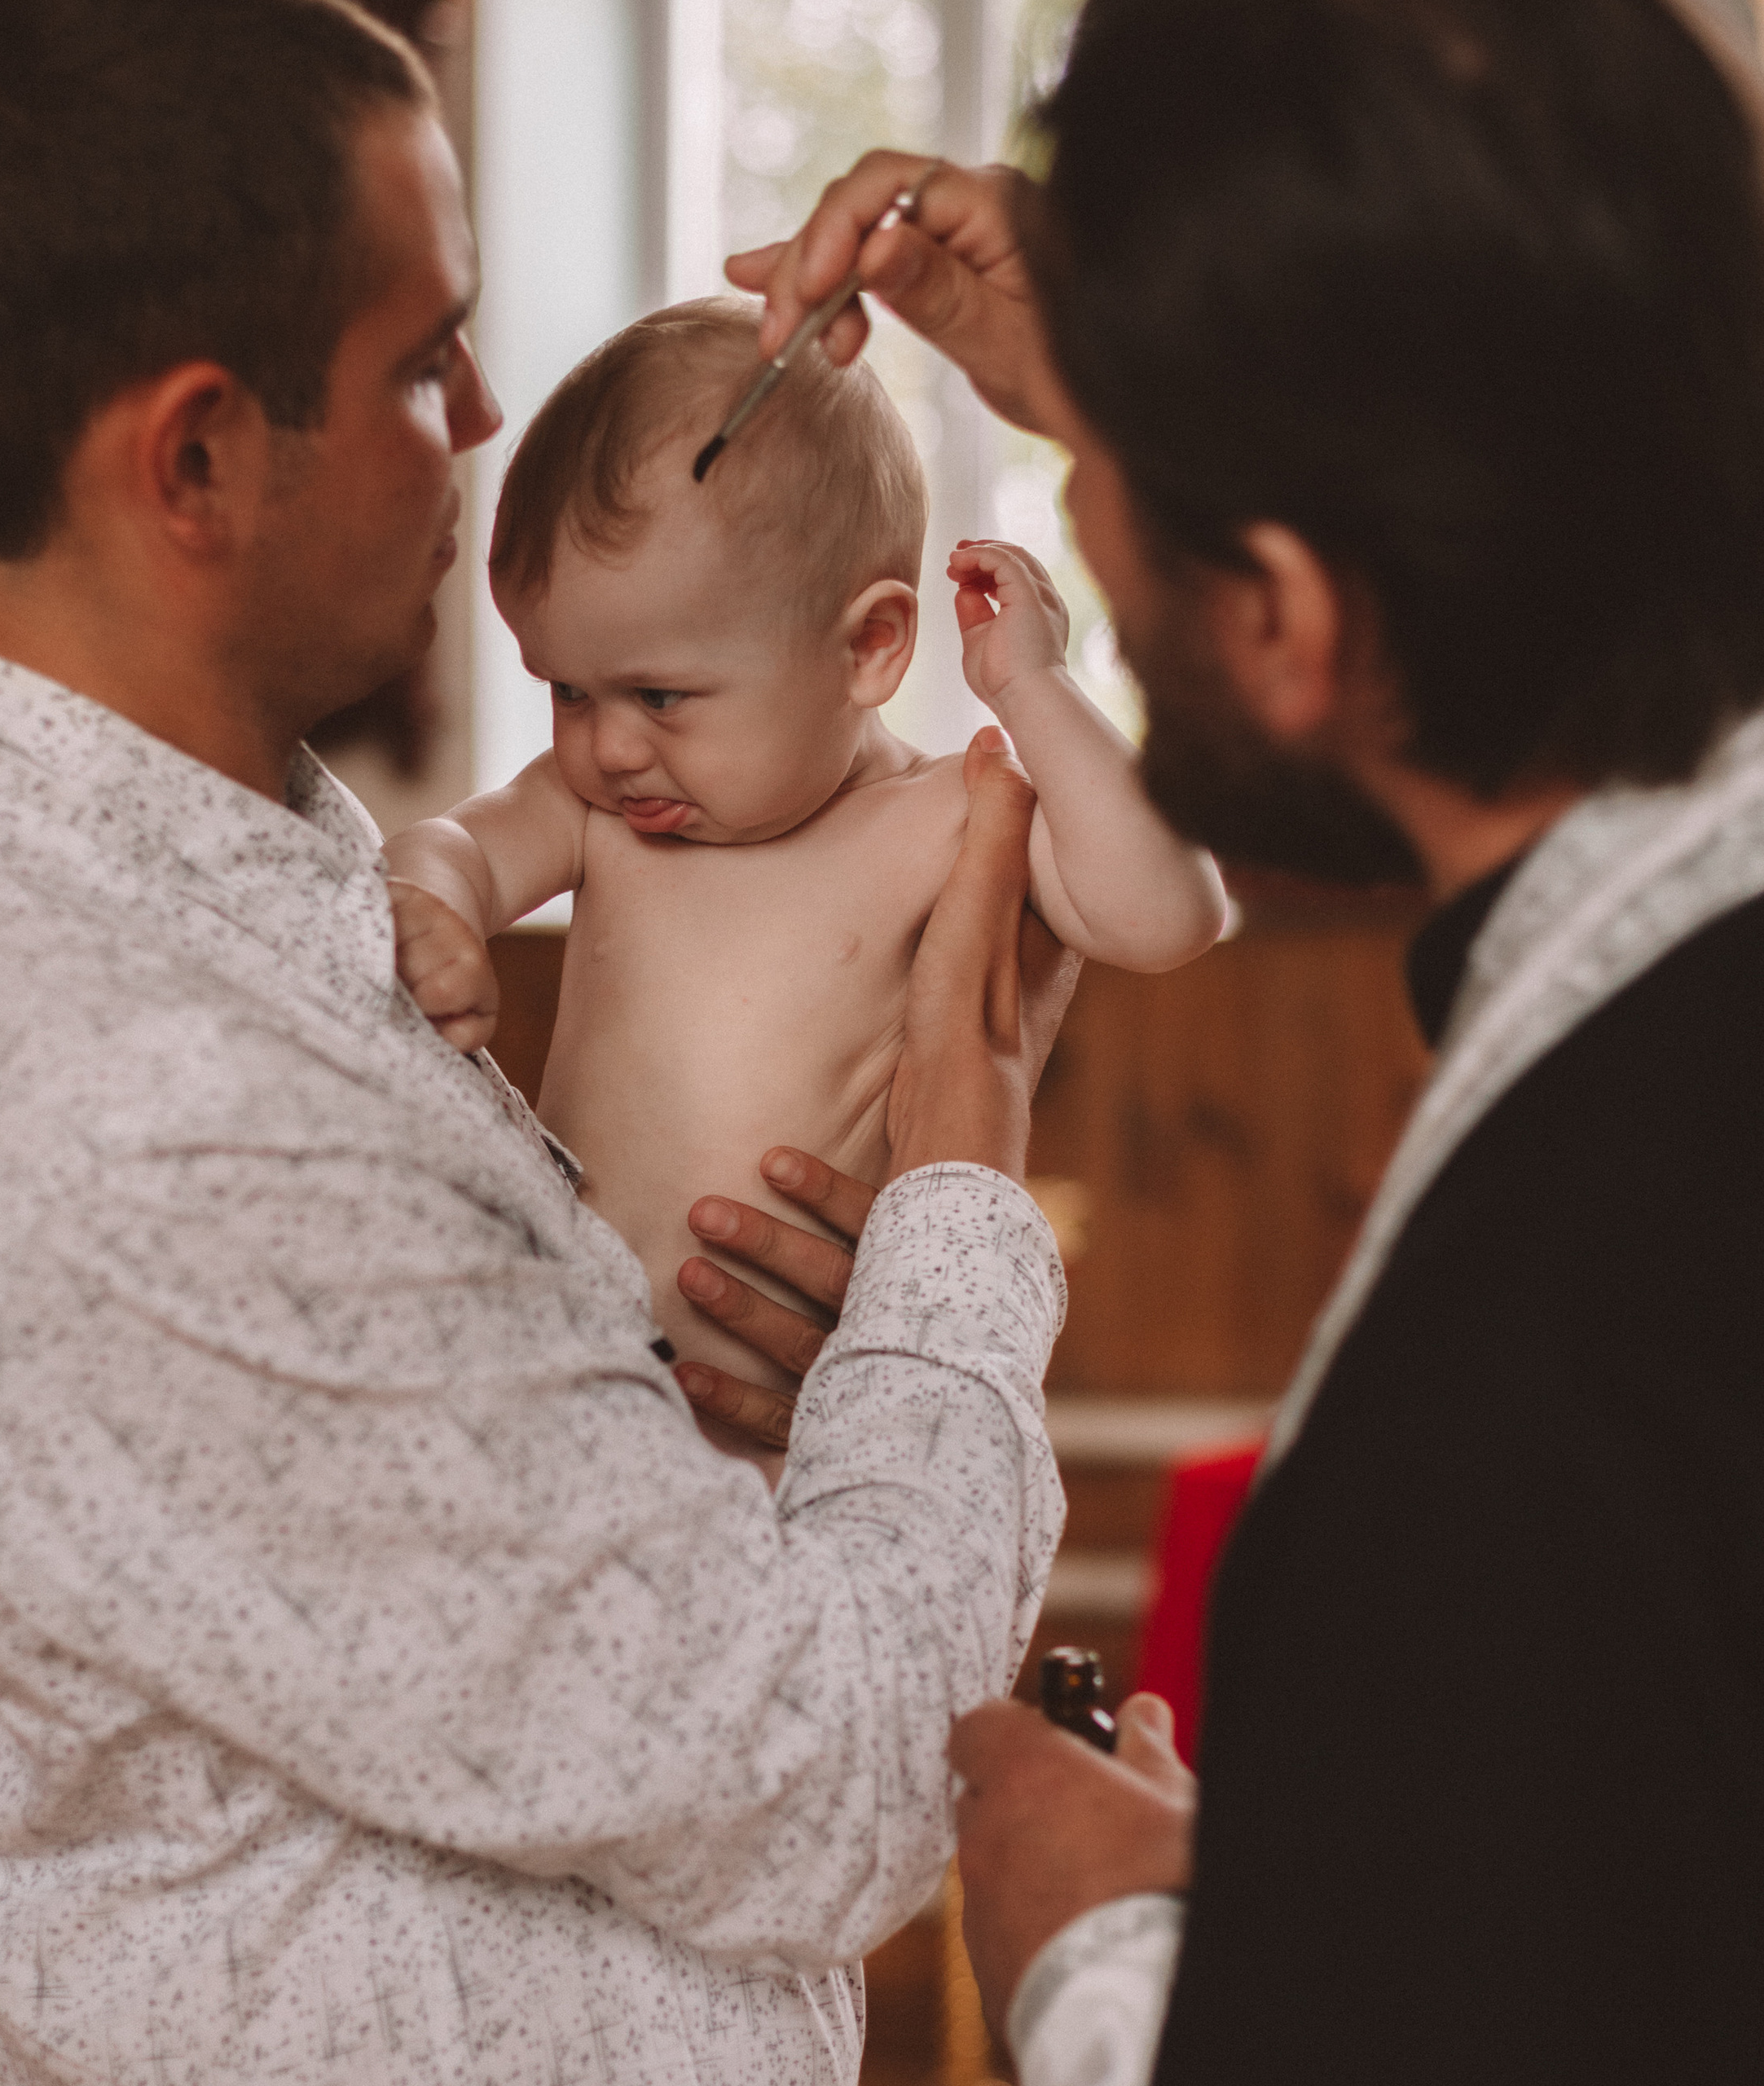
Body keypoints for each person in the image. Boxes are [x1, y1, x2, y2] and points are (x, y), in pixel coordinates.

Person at [0, 3, 1080, 2081]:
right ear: (195, 458)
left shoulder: (246, 913)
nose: (487, 414)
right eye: (422, 361)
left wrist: (809, 1399)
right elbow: (834, 1785)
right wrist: (957, 1190)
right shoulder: (154, 1103)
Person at [734, 0, 1764, 2080]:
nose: (1092, 539)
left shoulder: (1527, 1378)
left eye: (1102, 475)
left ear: (1285, 616)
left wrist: (1103, 1957)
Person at [384, 299, 1224, 1466]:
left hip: (802, 1441)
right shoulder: (597, 813)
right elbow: (451, 845)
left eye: (661, 695)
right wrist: (430, 904)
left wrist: (1035, 689)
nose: (609, 744)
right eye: (567, 691)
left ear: (870, 646)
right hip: (561, 1411)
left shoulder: (947, 818)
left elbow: (1166, 913)